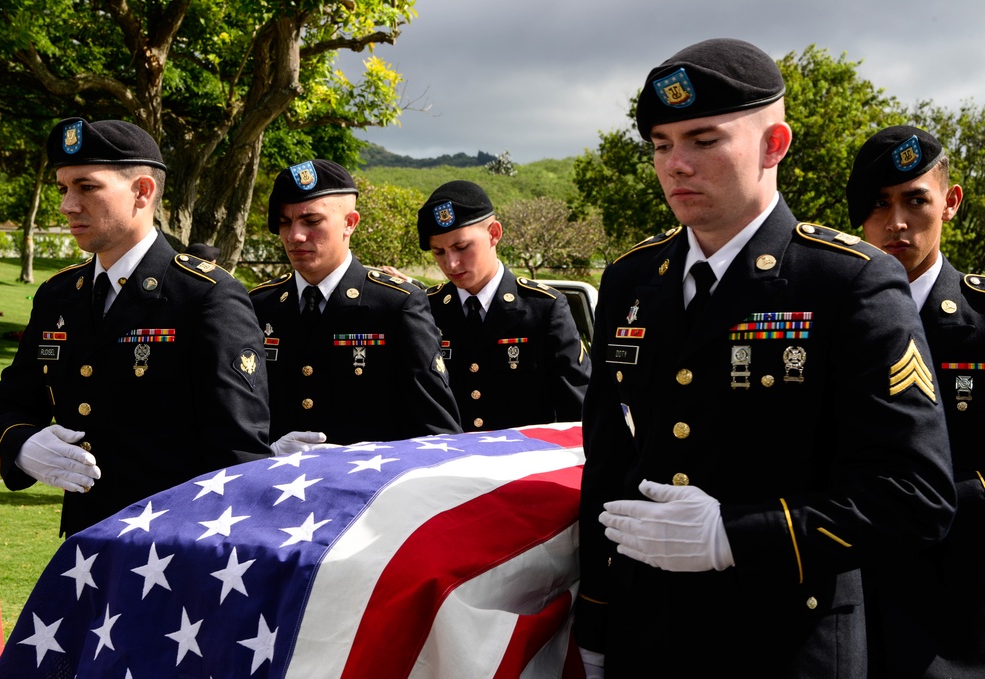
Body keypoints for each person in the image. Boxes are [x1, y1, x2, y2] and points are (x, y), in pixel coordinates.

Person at [575, 39, 956, 677]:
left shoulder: (850, 282)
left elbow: (915, 496)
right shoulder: (632, 278)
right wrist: (596, 613)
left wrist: (736, 536)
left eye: (703, 139)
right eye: (661, 144)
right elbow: (609, 465)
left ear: (773, 145)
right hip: (649, 633)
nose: (676, 165)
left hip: (784, 641)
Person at [0, 117, 274, 537]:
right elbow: (8, 402)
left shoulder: (205, 296)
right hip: (85, 549)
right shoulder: (59, 294)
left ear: (142, 191)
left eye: (86, 187)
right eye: (62, 188)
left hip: (173, 551)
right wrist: (22, 445)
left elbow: (239, 455)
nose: (67, 205)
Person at [847, 125, 985, 677]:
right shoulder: (824, 316)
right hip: (839, 609)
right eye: (878, 204)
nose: (896, 223)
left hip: (955, 621)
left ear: (950, 203)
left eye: (914, 200)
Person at [249, 159, 461, 444]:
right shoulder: (260, 304)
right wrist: (268, 452)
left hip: (368, 484)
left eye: (312, 221)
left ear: (350, 223)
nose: (295, 236)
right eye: (284, 222)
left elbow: (438, 432)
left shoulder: (396, 304)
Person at [417, 180, 591, 431]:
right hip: (451, 462)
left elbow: (578, 409)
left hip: (526, 462)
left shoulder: (544, 308)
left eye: (461, 247)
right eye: (439, 252)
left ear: (494, 234)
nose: (451, 264)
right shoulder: (427, 310)